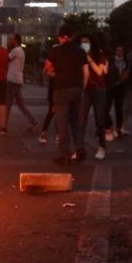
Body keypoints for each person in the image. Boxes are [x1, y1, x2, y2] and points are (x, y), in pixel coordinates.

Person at [46, 24, 88, 165]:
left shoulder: (56, 50)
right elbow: (86, 72)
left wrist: (55, 73)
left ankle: (65, 155)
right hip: (77, 88)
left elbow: (48, 68)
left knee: (62, 122)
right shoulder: (80, 51)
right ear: (71, 37)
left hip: (62, 88)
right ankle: (80, 148)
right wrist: (82, 87)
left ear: (60, 37)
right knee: (75, 120)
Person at [78, 34, 109, 160]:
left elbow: (99, 71)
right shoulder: (80, 55)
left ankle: (102, 147)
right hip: (86, 91)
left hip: (99, 90)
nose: (84, 44)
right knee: (81, 121)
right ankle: (79, 148)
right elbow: (82, 73)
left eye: (86, 41)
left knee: (99, 120)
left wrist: (89, 58)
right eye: (82, 42)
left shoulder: (99, 55)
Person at [4, 33, 38, 132]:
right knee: (20, 104)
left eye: (11, 39)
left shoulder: (16, 50)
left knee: (8, 103)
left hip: (12, 79)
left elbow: (6, 58)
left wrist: (6, 49)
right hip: (18, 79)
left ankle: (3, 125)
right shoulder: (20, 50)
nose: (10, 41)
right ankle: (33, 121)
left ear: (16, 40)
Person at [104, 45, 127, 141]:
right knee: (106, 108)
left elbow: (127, 74)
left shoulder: (126, 62)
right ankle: (107, 126)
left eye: (121, 51)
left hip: (121, 87)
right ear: (115, 51)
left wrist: (122, 79)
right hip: (110, 86)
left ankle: (118, 129)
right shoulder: (111, 61)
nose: (120, 52)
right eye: (118, 50)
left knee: (119, 108)